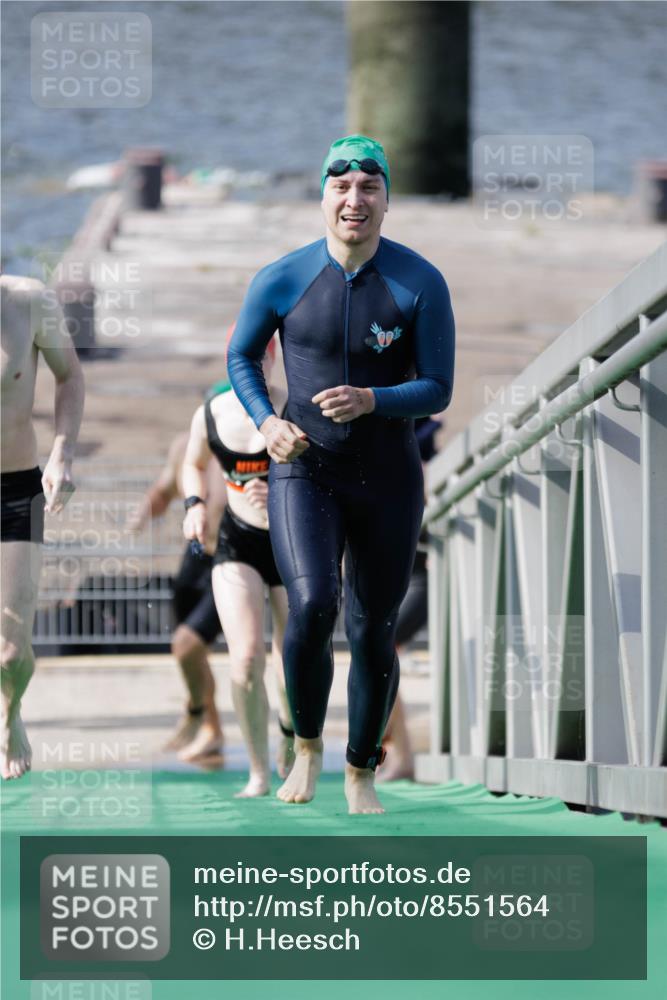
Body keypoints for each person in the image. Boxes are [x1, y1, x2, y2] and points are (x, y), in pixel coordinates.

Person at [227, 135, 455, 813]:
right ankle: (305, 747)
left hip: (388, 477)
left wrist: (372, 400)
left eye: (369, 187)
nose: (354, 199)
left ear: (386, 199)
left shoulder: (419, 282)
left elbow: (438, 388)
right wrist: (267, 423)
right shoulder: (282, 277)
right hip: (305, 471)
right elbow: (241, 357)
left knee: (372, 627)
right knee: (312, 604)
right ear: (323, 196)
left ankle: (360, 770)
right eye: (341, 186)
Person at [182, 334, 294, 796]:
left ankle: (290, 732)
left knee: (291, 660)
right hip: (237, 542)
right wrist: (194, 505)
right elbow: (192, 464)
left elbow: (329, 470)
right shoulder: (211, 413)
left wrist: (284, 486)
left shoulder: (294, 406)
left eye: (260, 357)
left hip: (291, 542)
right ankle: (258, 771)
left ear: (273, 358)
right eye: (241, 359)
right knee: (245, 659)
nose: (252, 368)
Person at [1, 274, 85, 779]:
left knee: (11, 651)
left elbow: (69, 375)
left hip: (16, 489)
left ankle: (10, 714)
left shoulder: (29, 301)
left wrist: (62, 454)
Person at [127, 393, 228, 762]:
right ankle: (212, 728)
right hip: (195, 558)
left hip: (232, 561)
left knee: (186, 644)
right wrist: (142, 513)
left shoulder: (245, 447)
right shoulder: (186, 447)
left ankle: (195, 711)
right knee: (192, 653)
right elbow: (165, 490)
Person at [377, 417, 440, 782]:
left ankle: (399, 753)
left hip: (421, 577)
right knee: (377, 652)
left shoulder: (424, 465)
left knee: (378, 650)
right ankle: (400, 752)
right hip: (396, 576)